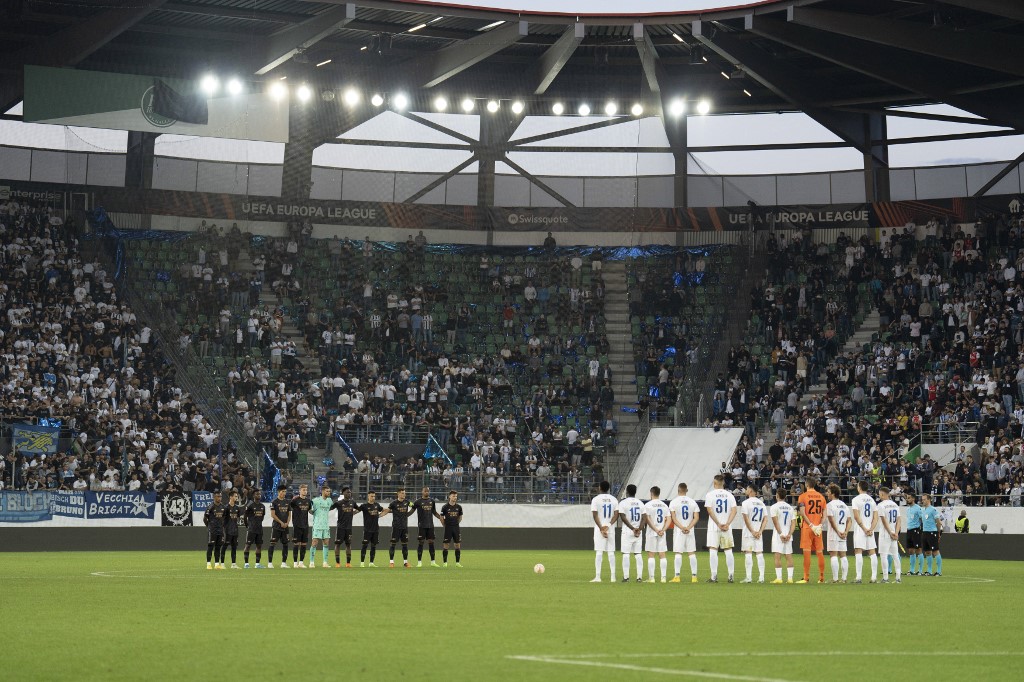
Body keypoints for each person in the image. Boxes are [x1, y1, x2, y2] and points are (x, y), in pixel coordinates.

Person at [704, 474, 738, 583]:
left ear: (715, 483)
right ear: (723, 483)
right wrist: (727, 523)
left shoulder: (710, 495)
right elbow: (734, 511)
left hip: (714, 526)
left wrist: (718, 523)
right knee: (728, 550)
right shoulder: (730, 495)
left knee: (713, 550)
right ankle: (731, 576)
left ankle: (714, 576)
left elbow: (709, 511)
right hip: (727, 527)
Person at [797, 477, 827, 584]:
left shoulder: (802, 496)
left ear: (806, 485)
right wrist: (819, 525)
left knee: (807, 552)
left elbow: (802, 513)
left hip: (807, 528)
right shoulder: (821, 497)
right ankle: (822, 577)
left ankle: (806, 577)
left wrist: (811, 525)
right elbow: (824, 514)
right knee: (820, 552)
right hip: (818, 529)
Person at [668, 482, 700, 583]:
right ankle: (694, 577)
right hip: (690, 531)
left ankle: (677, 576)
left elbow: (673, 518)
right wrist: (688, 527)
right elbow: (696, 517)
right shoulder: (692, 502)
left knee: (678, 553)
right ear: (686, 490)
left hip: (679, 531)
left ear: (678, 490)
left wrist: (682, 527)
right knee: (691, 553)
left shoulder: (674, 502)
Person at [590, 480, 618, 583]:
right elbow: (616, 514)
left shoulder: (596, 499)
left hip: (599, 529)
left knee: (599, 552)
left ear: (600, 488)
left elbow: (595, 515)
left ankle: (598, 577)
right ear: (608, 488)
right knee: (611, 552)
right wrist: (609, 525)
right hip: (610, 528)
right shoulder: (614, 499)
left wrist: (601, 528)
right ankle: (613, 577)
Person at [850, 480, 879, 584]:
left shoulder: (856, 499)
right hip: (870, 529)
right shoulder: (872, 500)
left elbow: (856, 516)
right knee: (872, 552)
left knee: (858, 551)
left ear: (859, 487)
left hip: (860, 529)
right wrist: (871, 529)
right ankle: (874, 577)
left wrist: (864, 528)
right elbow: (876, 517)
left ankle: (858, 577)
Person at [739, 484, 767, 583]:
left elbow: (746, 519)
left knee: (748, 553)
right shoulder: (761, 503)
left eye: (747, 489)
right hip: (758, 533)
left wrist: (752, 531)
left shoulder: (745, 503)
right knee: (759, 553)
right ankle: (762, 577)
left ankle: (749, 577)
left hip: (748, 533)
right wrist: (760, 531)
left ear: (751, 491)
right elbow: (765, 519)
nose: (746, 490)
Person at [617, 484, 645, 583]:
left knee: (626, 554)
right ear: (635, 492)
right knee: (638, 554)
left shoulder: (623, 503)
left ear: (627, 491)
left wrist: (632, 528)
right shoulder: (640, 503)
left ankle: (626, 577)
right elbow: (644, 518)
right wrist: (639, 529)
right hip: (638, 531)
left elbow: (623, 517)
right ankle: (639, 577)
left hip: (628, 531)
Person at [643, 486, 669, 583]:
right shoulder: (664, 505)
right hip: (662, 533)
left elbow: (647, 519)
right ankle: (663, 578)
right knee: (662, 554)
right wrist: (663, 529)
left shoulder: (648, 505)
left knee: (651, 554)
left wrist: (656, 529)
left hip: (651, 532)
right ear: (659, 493)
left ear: (651, 493)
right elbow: (669, 519)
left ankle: (652, 578)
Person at [825, 484, 851, 584]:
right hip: (843, 534)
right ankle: (844, 578)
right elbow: (849, 520)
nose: (827, 493)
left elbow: (831, 520)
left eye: (828, 492)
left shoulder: (830, 505)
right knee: (843, 555)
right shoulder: (844, 505)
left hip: (834, 534)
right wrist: (845, 532)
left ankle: (835, 579)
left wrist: (838, 532)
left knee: (833, 555)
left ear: (833, 493)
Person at [412, 486, 444, 567]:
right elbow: (411, 511)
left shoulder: (432, 501)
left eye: (428, 491)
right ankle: (419, 562)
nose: (427, 492)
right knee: (421, 542)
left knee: (431, 542)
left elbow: (434, 512)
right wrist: (403, 515)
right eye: (425, 491)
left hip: (430, 525)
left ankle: (433, 562)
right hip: (422, 525)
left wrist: (441, 518)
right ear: (422, 492)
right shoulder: (417, 502)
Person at [382, 487, 414, 568]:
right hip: (396, 527)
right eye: (402, 493)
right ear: (398, 494)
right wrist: (379, 516)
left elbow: (414, 506)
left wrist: (408, 514)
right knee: (393, 544)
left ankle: (405, 562)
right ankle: (391, 562)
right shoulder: (393, 503)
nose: (404, 494)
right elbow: (387, 511)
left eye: (404, 493)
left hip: (404, 527)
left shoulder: (407, 502)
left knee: (405, 545)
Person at [769, 488, 796, 583]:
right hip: (788, 535)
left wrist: (781, 534)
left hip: (778, 535)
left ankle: (779, 578)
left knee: (777, 556)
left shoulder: (774, 507)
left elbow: (775, 522)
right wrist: (789, 534)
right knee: (788, 556)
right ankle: (790, 578)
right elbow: (793, 523)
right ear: (785, 496)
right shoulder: (790, 507)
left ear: (777, 495)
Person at [876, 487, 902, 583]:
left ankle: (886, 578)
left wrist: (890, 532)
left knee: (884, 555)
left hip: (885, 534)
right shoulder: (895, 505)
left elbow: (884, 521)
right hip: (894, 534)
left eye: (879, 494)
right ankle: (898, 577)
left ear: (883, 494)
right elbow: (899, 520)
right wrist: (896, 532)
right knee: (895, 555)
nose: (879, 495)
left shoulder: (881, 505)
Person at [330, 487, 359, 567]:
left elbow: (359, 509)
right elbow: (330, 508)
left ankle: (348, 563)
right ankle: (338, 563)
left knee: (348, 544)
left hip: (349, 528)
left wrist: (353, 513)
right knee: (338, 544)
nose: (349, 494)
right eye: (347, 492)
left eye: (350, 492)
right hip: (340, 527)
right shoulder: (339, 503)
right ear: (343, 493)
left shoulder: (352, 502)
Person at [309, 485, 333, 568]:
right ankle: (311, 562)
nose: (328, 493)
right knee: (314, 542)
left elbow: (330, 509)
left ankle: (325, 562)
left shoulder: (330, 501)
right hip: (317, 525)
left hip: (326, 525)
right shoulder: (315, 500)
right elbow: (310, 510)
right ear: (322, 491)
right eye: (327, 491)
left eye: (329, 491)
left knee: (326, 543)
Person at [358, 491, 384, 567]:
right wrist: (349, 514)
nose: (373, 498)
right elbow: (356, 511)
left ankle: (371, 563)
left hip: (376, 529)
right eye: (371, 496)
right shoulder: (364, 506)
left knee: (373, 546)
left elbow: (384, 510)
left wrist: (380, 516)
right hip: (367, 530)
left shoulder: (377, 505)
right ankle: (362, 563)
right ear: (368, 496)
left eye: (374, 496)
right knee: (364, 546)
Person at [268, 484, 291, 569]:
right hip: (277, 526)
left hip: (285, 527)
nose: (284, 493)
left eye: (285, 491)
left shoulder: (287, 502)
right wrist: (281, 522)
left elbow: (289, 514)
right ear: (278, 492)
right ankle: (270, 563)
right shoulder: (274, 502)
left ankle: (283, 563)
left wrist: (287, 523)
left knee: (285, 544)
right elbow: (273, 515)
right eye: (282, 491)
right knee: (272, 544)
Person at [290, 484, 313, 568]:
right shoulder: (295, 500)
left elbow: (310, 510)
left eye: (306, 490)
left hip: (305, 525)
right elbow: (290, 508)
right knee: (296, 544)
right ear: (299, 491)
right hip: (297, 525)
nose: (305, 491)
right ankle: (295, 563)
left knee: (304, 544)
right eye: (303, 490)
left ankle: (301, 562)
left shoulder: (308, 501)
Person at [920, 493, 943, 576]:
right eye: (922, 499)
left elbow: (938, 522)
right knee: (927, 552)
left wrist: (938, 532)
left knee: (935, 551)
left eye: (924, 499)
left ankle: (939, 571)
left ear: (929, 500)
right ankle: (929, 571)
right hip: (925, 532)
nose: (923, 501)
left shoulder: (933, 510)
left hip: (932, 532)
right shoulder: (923, 510)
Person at [440, 490, 464, 567]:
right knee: (446, 545)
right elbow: (441, 517)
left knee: (457, 545)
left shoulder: (459, 507)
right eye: (453, 496)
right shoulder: (445, 507)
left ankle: (457, 563)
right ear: (449, 496)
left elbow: (460, 517)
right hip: (448, 528)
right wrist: (445, 525)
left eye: (456, 496)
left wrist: (456, 524)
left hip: (456, 528)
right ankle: (445, 563)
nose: (455, 497)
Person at [203, 491, 226, 570]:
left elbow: (224, 518)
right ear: (214, 497)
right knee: (210, 546)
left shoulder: (223, 507)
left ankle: (217, 564)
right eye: (217, 496)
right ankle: (208, 564)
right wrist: (209, 526)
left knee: (218, 547)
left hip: (220, 530)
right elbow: (205, 518)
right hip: (212, 530)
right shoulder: (210, 507)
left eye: (220, 496)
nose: (219, 498)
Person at [220, 491, 242, 569]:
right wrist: (223, 530)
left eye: (237, 496)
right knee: (225, 546)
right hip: (227, 531)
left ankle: (233, 564)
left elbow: (238, 518)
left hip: (235, 531)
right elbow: (222, 520)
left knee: (234, 547)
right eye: (235, 496)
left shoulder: (237, 508)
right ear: (231, 497)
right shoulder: (225, 508)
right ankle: (222, 564)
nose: (236, 498)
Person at [243, 493, 266, 568]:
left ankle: (257, 564)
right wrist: (248, 526)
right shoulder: (250, 505)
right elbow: (245, 516)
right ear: (253, 496)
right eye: (257, 494)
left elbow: (262, 517)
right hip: (251, 529)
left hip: (259, 529)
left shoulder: (262, 506)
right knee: (248, 545)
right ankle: (246, 564)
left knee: (259, 546)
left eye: (259, 494)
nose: (259, 495)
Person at [904, 492, 923, 575]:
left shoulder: (918, 508)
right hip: (909, 530)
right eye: (907, 498)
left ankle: (920, 570)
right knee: (911, 550)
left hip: (916, 530)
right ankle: (912, 570)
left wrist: (921, 530)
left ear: (913, 499)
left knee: (918, 550)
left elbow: (922, 519)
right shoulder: (908, 509)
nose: (907, 499)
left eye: (909, 498)